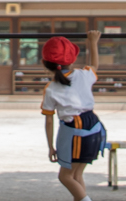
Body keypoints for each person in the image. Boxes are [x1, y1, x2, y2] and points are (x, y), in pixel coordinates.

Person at [41, 31, 106, 201]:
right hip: (93, 125)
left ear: (45, 63)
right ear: (72, 60)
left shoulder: (51, 88)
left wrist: (50, 147)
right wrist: (92, 42)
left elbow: (49, 120)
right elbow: (95, 66)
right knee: (76, 175)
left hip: (75, 128)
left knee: (65, 176)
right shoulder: (84, 75)